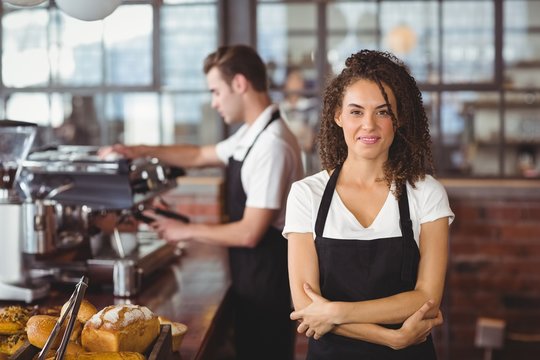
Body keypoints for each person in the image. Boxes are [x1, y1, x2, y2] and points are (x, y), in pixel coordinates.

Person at [101, 45, 303, 360]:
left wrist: (186, 230)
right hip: (252, 280)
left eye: (216, 91)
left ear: (239, 84)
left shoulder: (271, 145)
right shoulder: (253, 133)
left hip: (267, 284)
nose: (214, 102)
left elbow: (250, 232)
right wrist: (137, 150)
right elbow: (198, 155)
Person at [283, 49, 454, 359]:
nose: (369, 125)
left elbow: (427, 298)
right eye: (356, 111)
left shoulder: (427, 193)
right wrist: (393, 338)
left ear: (398, 118)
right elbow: (306, 308)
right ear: (338, 116)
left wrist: (334, 312)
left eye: (383, 111)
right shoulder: (306, 195)